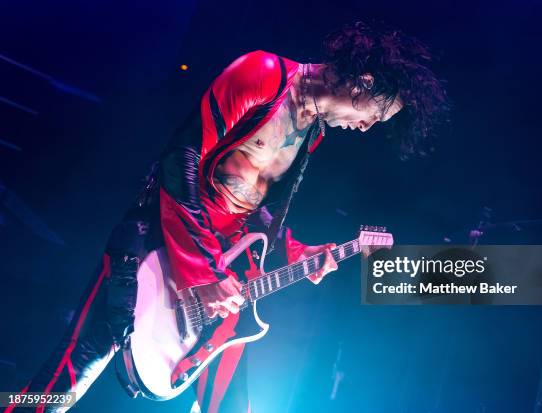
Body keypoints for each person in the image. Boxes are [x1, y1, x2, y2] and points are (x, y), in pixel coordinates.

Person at [5, 21, 448, 413]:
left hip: (220, 268)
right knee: (72, 369)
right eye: (375, 115)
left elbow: (248, 199)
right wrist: (203, 271)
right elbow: (181, 161)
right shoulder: (263, 75)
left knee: (231, 400)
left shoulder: (312, 133)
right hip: (160, 242)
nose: (367, 128)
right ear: (363, 85)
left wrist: (295, 248)